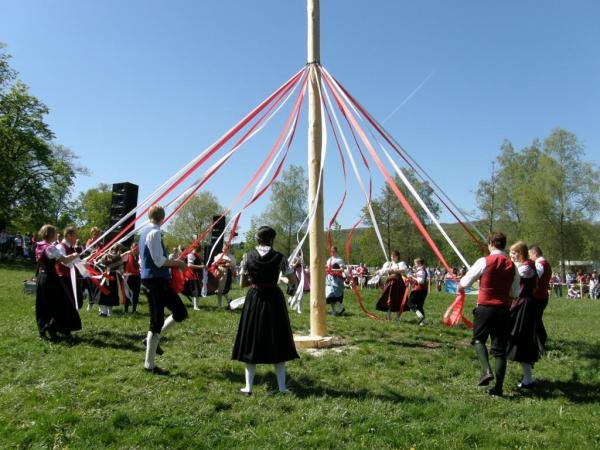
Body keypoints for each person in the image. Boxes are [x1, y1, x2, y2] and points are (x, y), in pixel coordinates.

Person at [232, 226, 299, 395]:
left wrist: (256, 280)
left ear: (257, 239)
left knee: (251, 340)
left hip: (254, 298)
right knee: (278, 339)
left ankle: (248, 387)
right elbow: (292, 280)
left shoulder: (247, 256)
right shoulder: (280, 257)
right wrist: (283, 280)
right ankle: (282, 388)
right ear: (272, 240)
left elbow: (242, 283)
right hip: (274, 300)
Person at [459, 232, 520, 397]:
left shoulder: (484, 261)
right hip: (504, 310)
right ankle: (498, 388)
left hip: (484, 307)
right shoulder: (512, 265)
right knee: (500, 350)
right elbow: (515, 292)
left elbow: (465, 282)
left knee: (478, 339)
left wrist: (461, 285)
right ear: (504, 244)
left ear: (491, 243)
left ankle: (486, 370)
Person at [140, 205, 188, 375]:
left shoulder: (146, 233)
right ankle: (149, 365)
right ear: (163, 217)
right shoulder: (153, 233)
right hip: (154, 283)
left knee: (180, 312)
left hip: (159, 281)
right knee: (156, 322)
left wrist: (172, 260)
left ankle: (151, 339)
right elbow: (159, 261)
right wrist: (178, 263)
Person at [35, 224, 82, 340]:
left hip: (41, 276)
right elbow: (64, 260)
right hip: (50, 278)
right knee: (58, 304)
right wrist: (75, 255)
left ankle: (44, 329)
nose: (57, 235)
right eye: (56, 233)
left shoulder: (39, 245)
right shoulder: (50, 248)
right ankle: (52, 327)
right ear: (52, 234)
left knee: (42, 304)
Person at [507, 241, 542, 389]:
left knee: (522, 340)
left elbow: (512, 280)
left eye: (514, 253)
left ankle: (528, 379)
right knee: (516, 339)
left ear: (521, 253)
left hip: (524, 306)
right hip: (520, 304)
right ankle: (526, 377)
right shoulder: (523, 266)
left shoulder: (526, 268)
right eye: (511, 253)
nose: (511, 256)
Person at [56, 227, 84, 310]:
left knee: (77, 301)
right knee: (66, 302)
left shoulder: (72, 248)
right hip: (63, 279)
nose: (77, 238)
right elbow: (64, 261)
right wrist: (74, 257)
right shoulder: (60, 247)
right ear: (69, 235)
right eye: (75, 236)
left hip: (72, 278)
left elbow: (78, 262)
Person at [529, 245, 551, 348]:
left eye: (530, 255)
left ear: (535, 254)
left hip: (537, 297)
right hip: (543, 296)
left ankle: (540, 344)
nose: (530, 258)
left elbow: (534, 278)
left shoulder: (539, 264)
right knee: (536, 320)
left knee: (535, 321)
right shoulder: (546, 264)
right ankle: (539, 342)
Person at [375, 251, 407, 321]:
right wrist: (378, 272)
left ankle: (398, 317)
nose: (392, 257)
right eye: (392, 256)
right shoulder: (388, 264)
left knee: (399, 299)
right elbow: (383, 271)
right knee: (388, 299)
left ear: (397, 257)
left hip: (398, 283)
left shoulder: (401, 263)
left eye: (394, 256)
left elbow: (403, 270)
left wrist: (393, 270)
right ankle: (388, 317)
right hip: (390, 283)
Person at [213, 244, 237, 308]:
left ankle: (226, 302)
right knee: (219, 289)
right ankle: (222, 303)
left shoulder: (231, 257)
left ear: (229, 249)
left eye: (226, 248)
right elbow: (214, 264)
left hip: (227, 273)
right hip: (219, 272)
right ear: (222, 249)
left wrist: (229, 265)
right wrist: (217, 265)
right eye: (224, 248)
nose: (225, 250)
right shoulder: (218, 256)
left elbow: (234, 267)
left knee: (223, 289)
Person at [406, 257, 428, 326]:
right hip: (423, 290)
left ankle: (419, 315)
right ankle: (421, 322)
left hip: (418, 290)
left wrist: (412, 277)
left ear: (419, 263)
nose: (414, 264)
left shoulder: (421, 270)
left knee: (409, 303)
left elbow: (420, 281)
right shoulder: (420, 270)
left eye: (415, 263)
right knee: (420, 306)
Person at [122, 242, 141, 313]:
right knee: (127, 294)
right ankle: (126, 310)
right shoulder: (127, 255)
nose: (136, 250)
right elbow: (119, 258)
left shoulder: (138, 256)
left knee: (136, 294)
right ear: (131, 248)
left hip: (136, 277)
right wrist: (126, 253)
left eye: (137, 248)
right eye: (134, 248)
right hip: (128, 277)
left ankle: (134, 310)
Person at [185, 244, 205, 310]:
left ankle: (196, 305)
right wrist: (200, 266)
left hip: (196, 274)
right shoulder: (191, 255)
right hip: (191, 274)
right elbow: (189, 265)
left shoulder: (196, 255)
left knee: (197, 289)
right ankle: (195, 306)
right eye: (200, 249)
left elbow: (201, 261)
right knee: (195, 290)